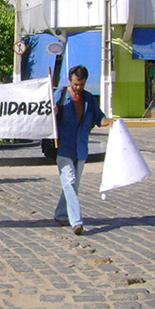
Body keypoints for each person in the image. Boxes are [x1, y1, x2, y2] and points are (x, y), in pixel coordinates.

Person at [53, 65, 113, 236]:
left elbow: (98, 118)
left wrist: (109, 122)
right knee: (69, 181)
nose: (78, 88)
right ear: (70, 81)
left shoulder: (89, 99)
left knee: (73, 185)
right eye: (75, 84)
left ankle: (60, 214)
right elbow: (48, 115)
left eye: (81, 84)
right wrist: (54, 112)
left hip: (80, 148)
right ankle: (76, 221)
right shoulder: (62, 95)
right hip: (63, 147)